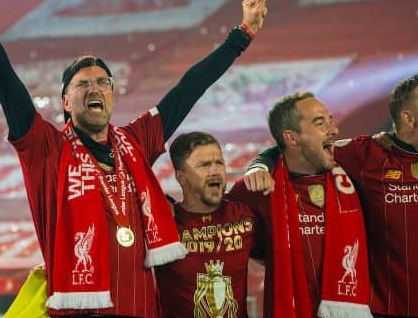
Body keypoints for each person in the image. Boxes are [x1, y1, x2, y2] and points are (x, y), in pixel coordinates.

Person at [0, 0, 267, 317]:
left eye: (103, 82)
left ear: (113, 95)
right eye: (82, 84)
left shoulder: (135, 142)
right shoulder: (47, 150)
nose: (94, 88)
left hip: (141, 310)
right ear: (66, 102)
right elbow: (5, 80)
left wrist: (242, 35)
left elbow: (188, 89)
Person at [245, 74, 418, 318]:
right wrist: (260, 165)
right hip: (388, 308)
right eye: (321, 121)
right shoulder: (367, 154)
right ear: (409, 118)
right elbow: (296, 148)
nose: (332, 128)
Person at [228, 92, 372, 318]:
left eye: (331, 119)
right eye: (319, 122)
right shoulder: (256, 188)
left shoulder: (355, 169)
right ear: (292, 138)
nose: (334, 129)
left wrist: (259, 161)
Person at [155, 132, 263, 318]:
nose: (215, 171)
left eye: (219, 163)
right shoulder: (164, 222)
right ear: (181, 178)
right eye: (204, 165)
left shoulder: (244, 213)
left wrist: (262, 163)